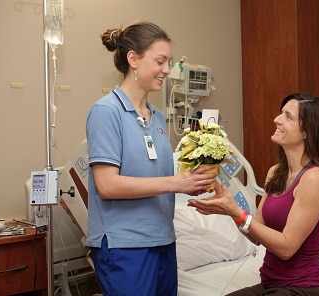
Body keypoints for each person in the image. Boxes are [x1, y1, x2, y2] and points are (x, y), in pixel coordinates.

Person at [85, 21, 217, 296]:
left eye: (168, 62)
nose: (167, 70)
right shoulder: (106, 112)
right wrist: (176, 183)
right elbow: (107, 185)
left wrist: (195, 182)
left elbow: (159, 178)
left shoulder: (157, 117)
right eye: (160, 61)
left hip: (163, 241)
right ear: (133, 58)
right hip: (125, 247)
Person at [188, 93, 319, 296]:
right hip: (271, 285)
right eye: (281, 113)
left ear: (307, 131)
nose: (276, 119)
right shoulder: (276, 172)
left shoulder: (315, 178)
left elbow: (287, 248)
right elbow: (257, 236)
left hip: (305, 289)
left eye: (288, 117)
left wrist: (237, 212)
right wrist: (229, 210)